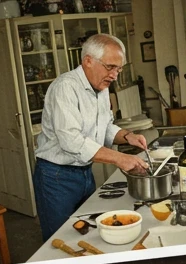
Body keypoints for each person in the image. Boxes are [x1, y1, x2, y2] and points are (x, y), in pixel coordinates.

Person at [33, 33, 150, 241]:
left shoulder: (101, 87)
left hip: (85, 173)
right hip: (56, 177)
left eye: (118, 69)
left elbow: (103, 128)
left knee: (89, 233)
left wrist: (128, 136)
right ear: (88, 61)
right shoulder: (65, 87)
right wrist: (120, 158)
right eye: (110, 67)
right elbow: (72, 141)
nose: (115, 75)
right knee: (59, 240)